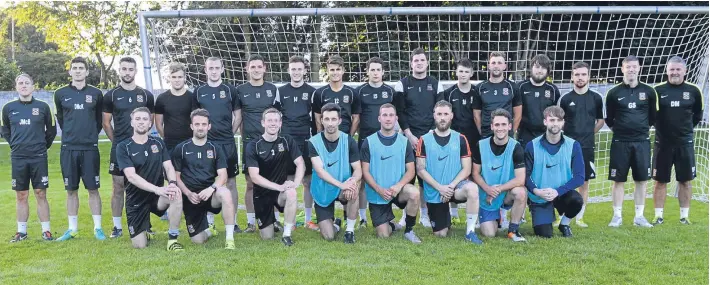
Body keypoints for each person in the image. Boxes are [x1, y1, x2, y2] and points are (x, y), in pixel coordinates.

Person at [115, 107, 183, 250]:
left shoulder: (158, 143)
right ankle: (145, 230)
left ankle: (173, 239)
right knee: (140, 246)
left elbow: (169, 167)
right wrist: (157, 189)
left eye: (145, 119)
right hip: (136, 199)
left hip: (156, 198)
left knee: (176, 194)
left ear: (150, 123)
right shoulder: (123, 147)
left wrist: (171, 183)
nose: (141, 122)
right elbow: (131, 177)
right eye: (138, 119)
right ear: (132, 122)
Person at [102, 56, 155, 238]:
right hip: (120, 148)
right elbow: (106, 123)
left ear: (135, 71)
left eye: (130, 69)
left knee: (143, 185)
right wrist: (117, 143)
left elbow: (151, 119)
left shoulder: (146, 95)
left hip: (142, 147)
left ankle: (145, 225)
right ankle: (117, 227)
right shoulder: (111, 95)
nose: (127, 72)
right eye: (124, 69)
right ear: (119, 71)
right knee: (118, 187)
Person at [53, 57, 105, 241]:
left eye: (81, 68)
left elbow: (99, 121)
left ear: (87, 72)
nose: (77, 71)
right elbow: (61, 119)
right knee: (71, 190)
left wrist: (89, 135)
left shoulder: (97, 94)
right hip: (68, 148)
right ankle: (72, 229)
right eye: (74, 68)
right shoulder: (60, 94)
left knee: (93, 189)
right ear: (69, 71)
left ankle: (98, 228)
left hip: (90, 148)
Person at [416, 100, 482, 244]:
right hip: (436, 190)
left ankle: (470, 232)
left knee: (472, 188)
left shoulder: (460, 138)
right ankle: (444, 220)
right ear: (434, 116)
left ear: (451, 116)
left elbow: (467, 168)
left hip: (456, 187)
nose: (442, 117)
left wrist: (451, 186)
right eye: (439, 114)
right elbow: (420, 169)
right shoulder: (424, 140)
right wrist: (441, 188)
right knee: (441, 234)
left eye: (446, 114)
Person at [393, 47, 445, 228]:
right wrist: (408, 134)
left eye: (422, 60)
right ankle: (404, 215)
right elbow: (399, 111)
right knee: (407, 177)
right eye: (416, 61)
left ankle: (424, 214)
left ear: (427, 62)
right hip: (408, 137)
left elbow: (439, 110)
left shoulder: (435, 83)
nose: (419, 63)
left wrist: (429, 133)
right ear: (411, 63)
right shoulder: (403, 84)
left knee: (425, 177)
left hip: (429, 136)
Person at [3, 73, 57, 242]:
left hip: (38, 157)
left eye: (27, 83)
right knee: (21, 194)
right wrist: (16, 144)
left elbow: (51, 131)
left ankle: (46, 231)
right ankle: (21, 232)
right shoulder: (8, 108)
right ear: (16, 87)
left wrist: (41, 146)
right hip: (18, 157)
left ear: (33, 87)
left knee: (40, 193)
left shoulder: (43, 106)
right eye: (20, 83)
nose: (24, 85)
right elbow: (4, 130)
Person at [604, 55, 657, 228]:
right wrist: (623, 130)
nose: (631, 70)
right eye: (628, 67)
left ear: (639, 68)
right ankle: (617, 216)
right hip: (620, 142)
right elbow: (609, 119)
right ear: (622, 69)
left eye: (634, 67)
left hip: (642, 142)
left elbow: (652, 118)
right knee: (618, 180)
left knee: (641, 180)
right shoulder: (614, 93)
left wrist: (639, 129)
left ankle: (639, 217)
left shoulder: (649, 92)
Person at [172, 109, 237, 249]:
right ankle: (209, 230)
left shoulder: (215, 148)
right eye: (197, 124)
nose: (200, 127)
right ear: (191, 126)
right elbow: (176, 177)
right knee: (198, 240)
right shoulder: (181, 148)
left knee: (225, 192)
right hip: (191, 197)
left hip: (210, 195)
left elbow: (223, 175)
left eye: (203, 124)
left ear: (209, 126)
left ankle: (230, 239)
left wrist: (211, 189)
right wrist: (188, 193)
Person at [652, 56, 704, 225]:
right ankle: (658, 216)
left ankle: (684, 216)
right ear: (667, 71)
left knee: (685, 180)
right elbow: (652, 115)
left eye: (678, 69)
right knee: (660, 181)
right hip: (663, 143)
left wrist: (684, 131)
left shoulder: (694, 90)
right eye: (671, 69)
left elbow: (697, 116)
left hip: (684, 143)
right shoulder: (657, 90)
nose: (674, 72)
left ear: (685, 71)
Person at [193, 56, 242, 233]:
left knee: (230, 182)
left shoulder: (230, 90)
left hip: (227, 144)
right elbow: (195, 118)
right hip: (206, 145)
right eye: (210, 68)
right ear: (205, 70)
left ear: (222, 69)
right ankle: (209, 222)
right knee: (205, 181)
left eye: (216, 68)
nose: (213, 71)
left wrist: (230, 132)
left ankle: (233, 222)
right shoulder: (198, 91)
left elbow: (238, 115)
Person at [361, 103, 421, 243]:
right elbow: (365, 171)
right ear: (379, 118)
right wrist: (379, 189)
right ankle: (392, 225)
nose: (388, 119)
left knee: (414, 193)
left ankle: (409, 230)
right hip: (378, 192)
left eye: (391, 115)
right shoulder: (369, 142)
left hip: (397, 190)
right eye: (385, 115)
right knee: (383, 235)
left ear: (396, 118)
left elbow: (411, 170)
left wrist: (399, 186)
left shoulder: (404, 142)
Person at [245, 108, 304, 246]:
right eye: (269, 120)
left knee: (291, 193)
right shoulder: (253, 145)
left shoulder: (286, 140)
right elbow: (254, 177)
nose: (273, 123)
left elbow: (300, 163)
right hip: (262, 194)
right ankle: (271, 223)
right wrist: (278, 186)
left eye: (276, 120)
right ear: (263, 123)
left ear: (280, 123)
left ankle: (287, 234)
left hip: (280, 193)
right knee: (267, 237)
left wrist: (295, 183)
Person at [235, 54, 280, 233]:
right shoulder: (240, 90)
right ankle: (251, 222)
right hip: (250, 143)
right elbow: (239, 117)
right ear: (247, 69)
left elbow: (277, 116)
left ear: (264, 68)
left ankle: (275, 220)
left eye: (259, 66)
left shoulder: (272, 89)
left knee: (274, 180)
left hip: (271, 143)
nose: (256, 70)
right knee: (250, 183)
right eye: (252, 67)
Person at [524, 106, 585, 238]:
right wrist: (536, 191)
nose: (555, 123)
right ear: (545, 122)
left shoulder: (573, 145)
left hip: (561, 193)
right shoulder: (532, 146)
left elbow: (580, 177)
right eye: (551, 120)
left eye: (558, 120)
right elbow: (525, 175)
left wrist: (558, 191)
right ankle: (542, 213)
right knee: (545, 234)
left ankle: (564, 224)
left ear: (563, 123)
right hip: (540, 195)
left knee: (577, 200)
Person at [557, 61, 605, 227]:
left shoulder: (596, 98)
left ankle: (580, 217)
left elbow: (600, 121)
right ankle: (562, 214)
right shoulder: (565, 99)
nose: (580, 77)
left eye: (583, 74)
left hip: (587, 147)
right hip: (567, 148)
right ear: (572, 77)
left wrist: (588, 134)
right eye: (577, 74)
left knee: (584, 182)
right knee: (565, 181)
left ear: (588, 76)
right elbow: (560, 122)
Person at [471, 108, 527, 242]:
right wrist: (487, 189)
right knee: (489, 233)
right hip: (487, 195)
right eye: (497, 125)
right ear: (491, 126)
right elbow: (475, 173)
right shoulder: (480, 145)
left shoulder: (516, 147)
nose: (500, 128)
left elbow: (520, 179)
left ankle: (513, 230)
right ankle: (497, 217)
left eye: (503, 124)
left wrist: (498, 189)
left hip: (505, 193)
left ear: (509, 126)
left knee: (521, 192)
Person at [308, 103, 362, 243]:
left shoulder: (349, 141)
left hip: (342, 188)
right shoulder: (313, 142)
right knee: (329, 236)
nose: (330, 123)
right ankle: (336, 225)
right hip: (323, 190)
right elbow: (320, 171)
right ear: (321, 120)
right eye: (326, 119)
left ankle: (349, 231)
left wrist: (351, 182)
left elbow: (357, 169)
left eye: (333, 119)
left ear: (339, 121)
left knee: (354, 188)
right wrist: (342, 185)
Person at [275, 55, 318, 231]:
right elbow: (276, 117)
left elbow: (316, 119)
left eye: (299, 69)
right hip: (286, 141)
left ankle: (308, 219)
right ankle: (288, 220)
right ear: (289, 70)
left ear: (305, 71)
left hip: (305, 140)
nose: (296, 72)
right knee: (286, 181)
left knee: (308, 181)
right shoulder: (281, 91)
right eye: (293, 69)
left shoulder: (312, 91)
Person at [354, 56, 396, 228]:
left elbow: (394, 115)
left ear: (383, 72)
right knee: (363, 178)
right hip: (365, 140)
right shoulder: (360, 91)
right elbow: (356, 116)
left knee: (387, 176)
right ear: (368, 72)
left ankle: (389, 215)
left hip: (386, 140)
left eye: (378, 70)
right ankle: (363, 218)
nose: (376, 73)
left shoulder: (390, 91)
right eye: (372, 70)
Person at [439, 58, 479, 225]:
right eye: (460, 71)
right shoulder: (449, 93)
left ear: (471, 73)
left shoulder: (477, 92)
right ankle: (453, 211)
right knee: (454, 172)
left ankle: (477, 213)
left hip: (474, 139)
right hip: (454, 141)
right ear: (456, 72)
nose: (463, 74)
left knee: (475, 174)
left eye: (466, 71)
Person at [473, 51, 522, 139]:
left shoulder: (512, 87)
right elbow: (476, 115)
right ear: (489, 66)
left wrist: (510, 132)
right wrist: (482, 132)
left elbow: (518, 115)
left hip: (506, 135)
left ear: (504, 66)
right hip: (486, 135)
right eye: (493, 63)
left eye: (499, 63)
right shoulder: (480, 88)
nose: (496, 65)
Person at [518, 54, 561, 148]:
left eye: (543, 68)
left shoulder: (553, 89)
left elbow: (557, 115)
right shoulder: (521, 87)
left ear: (548, 71)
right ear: (531, 68)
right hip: (525, 136)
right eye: (537, 67)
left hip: (547, 136)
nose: (540, 70)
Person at [312, 55, 360, 135]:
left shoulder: (352, 93)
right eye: (332, 70)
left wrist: (349, 137)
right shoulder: (320, 93)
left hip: (345, 136)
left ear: (343, 70)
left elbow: (356, 118)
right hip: (326, 137)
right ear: (327, 71)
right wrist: (321, 138)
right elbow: (318, 118)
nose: (335, 73)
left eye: (338, 69)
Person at [155, 62, 193, 154]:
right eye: (174, 77)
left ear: (185, 78)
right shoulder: (161, 98)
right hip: (169, 145)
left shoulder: (192, 97)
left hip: (189, 143)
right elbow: (158, 124)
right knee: (170, 169)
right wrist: (166, 138)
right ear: (169, 78)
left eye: (180, 77)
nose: (177, 80)